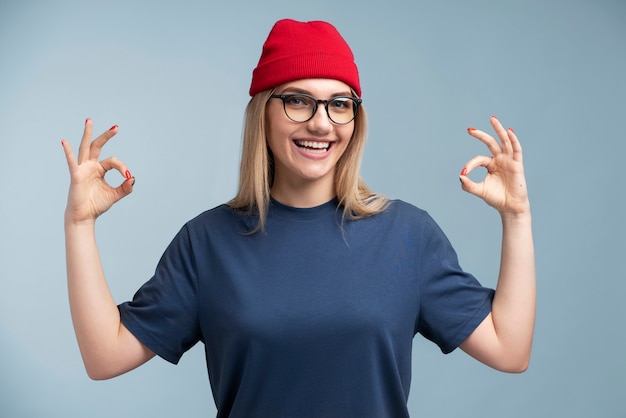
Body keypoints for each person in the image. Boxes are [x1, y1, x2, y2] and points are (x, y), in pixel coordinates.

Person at [61, 19, 535, 418]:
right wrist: (79, 226)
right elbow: (104, 356)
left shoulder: (406, 236)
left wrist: (517, 215)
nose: (321, 123)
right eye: (298, 100)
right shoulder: (207, 244)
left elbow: (509, 351)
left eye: (339, 104)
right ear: (262, 114)